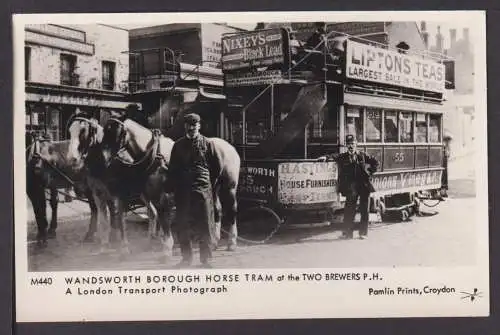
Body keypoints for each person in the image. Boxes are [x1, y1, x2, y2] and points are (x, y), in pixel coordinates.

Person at [166, 113, 221, 268]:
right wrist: (170, 189)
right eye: (189, 125)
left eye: (194, 125)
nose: (191, 128)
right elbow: (173, 169)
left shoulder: (208, 144)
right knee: (183, 225)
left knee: (205, 225)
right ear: (185, 127)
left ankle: (206, 260)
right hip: (183, 192)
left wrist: (208, 186)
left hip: (202, 191)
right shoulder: (178, 145)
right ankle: (186, 259)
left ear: (199, 126)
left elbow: (216, 168)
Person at [318, 135, 379, 239]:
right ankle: (347, 234)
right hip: (352, 187)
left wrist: (369, 172)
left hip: (364, 186)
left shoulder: (362, 155)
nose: (351, 146)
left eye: (353, 144)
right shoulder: (343, 156)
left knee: (364, 210)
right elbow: (334, 156)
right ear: (347, 145)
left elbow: (376, 163)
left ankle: (363, 234)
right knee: (349, 210)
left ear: (356, 144)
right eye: (349, 144)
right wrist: (326, 157)